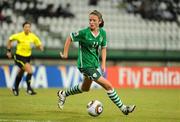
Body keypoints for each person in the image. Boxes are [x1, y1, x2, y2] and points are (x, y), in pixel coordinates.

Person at [57, 10, 136, 115]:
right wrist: (65, 53)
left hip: (94, 64)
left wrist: (103, 63)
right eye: (90, 20)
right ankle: (124, 109)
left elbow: (103, 48)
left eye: (94, 20)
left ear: (99, 21)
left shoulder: (102, 33)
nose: (91, 22)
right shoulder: (84, 33)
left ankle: (64, 94)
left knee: (85, 88)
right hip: (85, 65)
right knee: (108, 85)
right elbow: (69, 38)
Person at [6, 21, 44, 96]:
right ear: (23, 28)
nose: (27, 28)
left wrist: (40, 47)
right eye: (26, 27)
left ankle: (15, 88)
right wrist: (8, 51)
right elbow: (10, 39)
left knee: (21, 72)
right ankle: (28, 89)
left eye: (29, 27)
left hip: (27, 57)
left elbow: (39, 44)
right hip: (19, 57)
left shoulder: (32, 36)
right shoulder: (19, 35)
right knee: (30, 71)